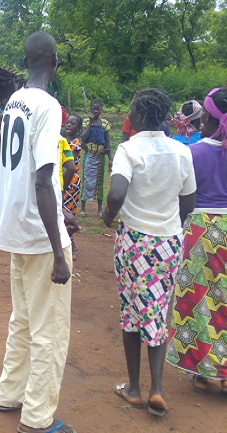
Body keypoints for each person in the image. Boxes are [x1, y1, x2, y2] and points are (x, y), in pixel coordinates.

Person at [0, 32, 78, 433]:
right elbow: (44, 178)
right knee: (49, 330)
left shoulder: (14, 101)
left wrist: (59, 216)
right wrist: (59, 249)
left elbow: (20, 173)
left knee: (22, 319)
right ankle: (37, 419)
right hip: (41, 236)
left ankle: (10, 394)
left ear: (27, 61)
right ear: (54, 62)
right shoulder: (49, 106)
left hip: (16, 227)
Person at [102, 88, 196, 417]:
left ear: (139, 117)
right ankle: (157, 387)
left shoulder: (129, 149)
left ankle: (134, 387)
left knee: (131, 311)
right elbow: (189, 201)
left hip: (134, 242)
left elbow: (116, 194)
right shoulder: (181, 150)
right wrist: (172, 225)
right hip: (168, 242)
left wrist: (107, 216)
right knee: (158, 309)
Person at [167, 86, 227, 394]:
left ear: (210, 120)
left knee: (199, 300)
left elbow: (181, 194)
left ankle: (204, 370)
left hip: (201, 229)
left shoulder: (193, 153)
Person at [80, 99, 111, 217]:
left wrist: (110, 159)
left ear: (101, 110)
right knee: (87, 179)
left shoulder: (105, 124)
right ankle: (83, 207)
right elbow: (83, 137)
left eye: (98, 109)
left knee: (99, 182)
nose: (95, 111)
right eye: (94, 109)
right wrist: (90, 123)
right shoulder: (86, 122)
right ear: (90, 110)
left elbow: (107, 142)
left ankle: (99, 209)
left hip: (100, 157)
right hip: (89, 155)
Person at [62, 115, 83, 254]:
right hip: (62, 179)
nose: (68, 125)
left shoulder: (75, 144)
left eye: (73, 123)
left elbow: (69, 165)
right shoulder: (63, 141)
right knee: (62, 212)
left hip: (71, 183)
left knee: (67, 213)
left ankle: (69, 242)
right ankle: (68, 243)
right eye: (67, 122)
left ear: (78, 128)